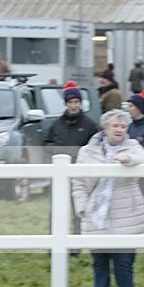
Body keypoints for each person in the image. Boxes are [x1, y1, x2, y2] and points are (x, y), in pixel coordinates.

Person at [71, 109, 144, 287]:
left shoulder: (132, 146)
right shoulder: (87, 151)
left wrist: (129, 159)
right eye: (115, 126)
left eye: (123, 126)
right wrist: (82, 207)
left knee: (124, 260)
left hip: (126, 212)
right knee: (99, 260)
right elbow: (78, 182)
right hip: (96, 213)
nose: (119, 130)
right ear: (105, 128)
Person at [44, 82, 100, 255]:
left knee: (79, 211)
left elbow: (96, 146)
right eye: (71, 102)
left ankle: (77, 245)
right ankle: (54, 245)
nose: (74, 105)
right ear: (66, 104)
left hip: (80, 176)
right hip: (59, 175)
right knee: (56, 210)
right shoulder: (56, 125)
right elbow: (46, 144)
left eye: (77, 102)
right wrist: (57, 152)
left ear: (80, 103)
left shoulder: (90, 125)